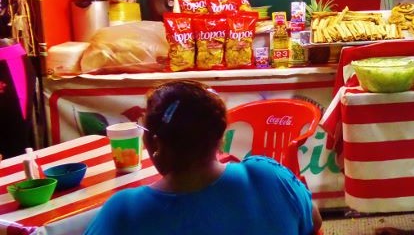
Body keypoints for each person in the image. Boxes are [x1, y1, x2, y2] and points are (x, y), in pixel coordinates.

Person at [85, 80, 322, 235]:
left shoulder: (124, 211)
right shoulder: (269, 177)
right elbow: (315, 223)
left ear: (155, 143)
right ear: (219, 135)